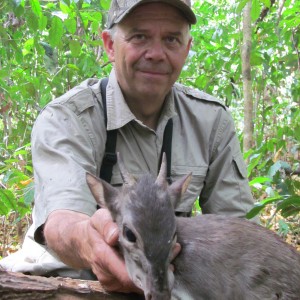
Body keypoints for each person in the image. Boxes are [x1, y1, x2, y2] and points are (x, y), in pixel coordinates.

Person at [0, 0, 255, 294]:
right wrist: (93, 239)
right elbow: (62, 221)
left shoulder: (210, 121)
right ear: (109, 45)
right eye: (139, 37)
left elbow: (240, 235)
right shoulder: (68, 118)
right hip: (58, 284)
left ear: (186, 49)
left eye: (171, 39)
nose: (157, 54)